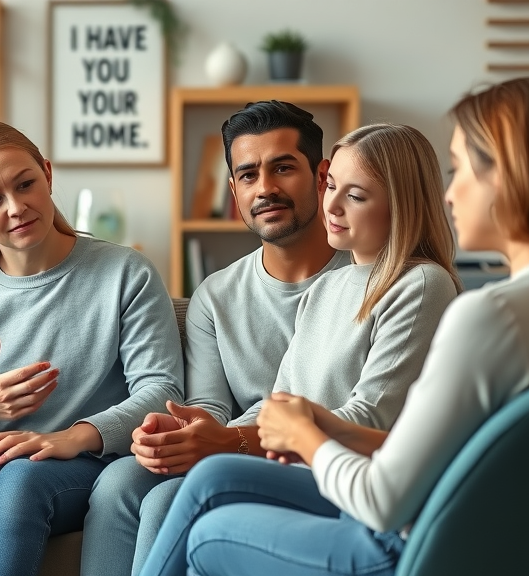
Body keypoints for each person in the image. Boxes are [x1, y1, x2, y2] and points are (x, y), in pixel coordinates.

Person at [136, 78, 529, 574]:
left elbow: (385, 470)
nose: (450, 192)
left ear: (509, 176)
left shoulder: (468, 304)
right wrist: (272, 427)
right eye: (331, 186)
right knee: (187, 484)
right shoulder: (324, 290)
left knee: (208, 507)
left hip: (395, 525)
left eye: (460, 168)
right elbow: (294, 407)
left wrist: (296, 433)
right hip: (381, 491)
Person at [0, 121, 185, 576]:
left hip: (83, 464)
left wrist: (72, 437)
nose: (17, 207)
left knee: (22, 478)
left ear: (47, 173)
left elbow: (161, 389)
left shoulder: (125, 273)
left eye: (26, 184)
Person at [82, 100, 350, 576]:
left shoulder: (365, 278)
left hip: (318, 454)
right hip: (234, 445)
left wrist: (226, 442)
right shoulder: (216, 294)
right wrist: (174, 434)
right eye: (247, 175)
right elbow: (210, 407)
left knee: (168, 499)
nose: (265, 188)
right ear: (232, 188)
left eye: (283, 168)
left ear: (322, 174)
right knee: (120, 479)